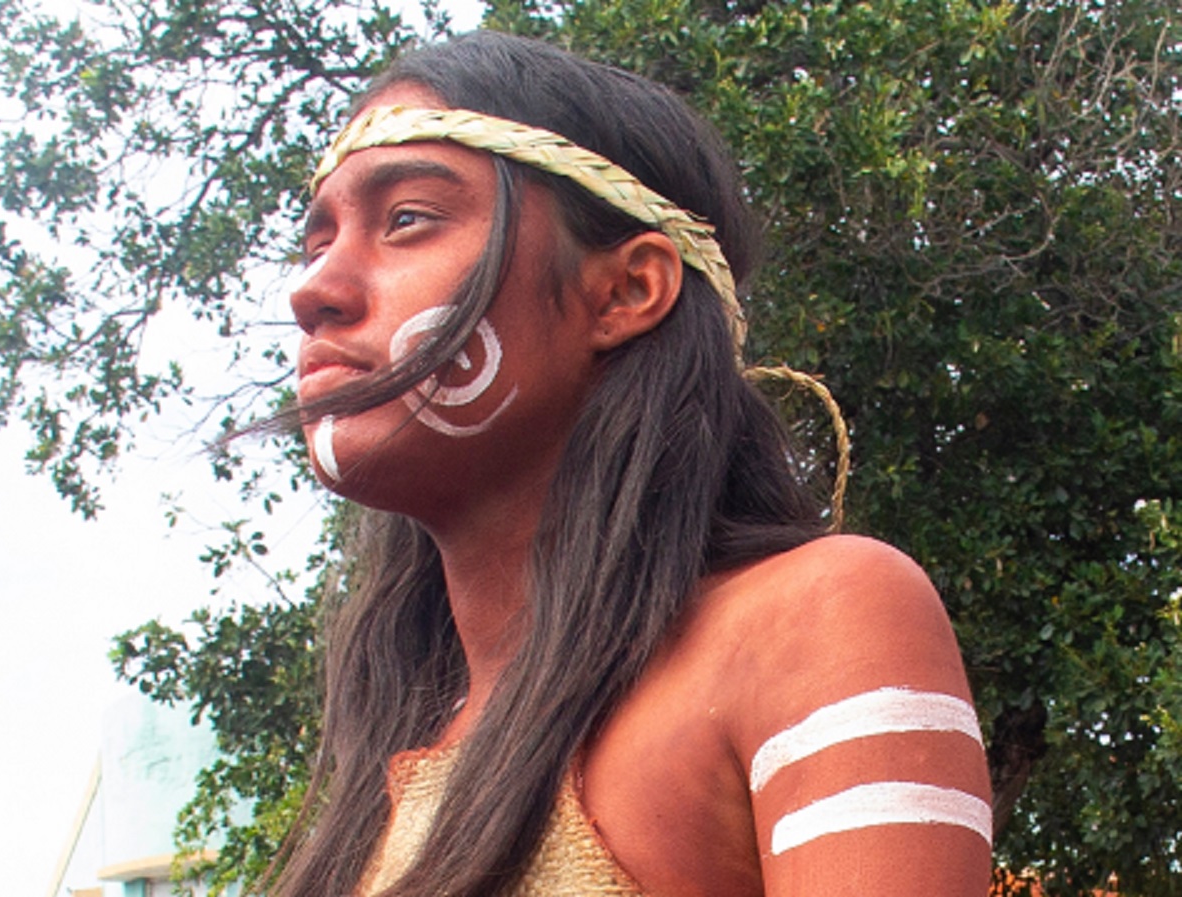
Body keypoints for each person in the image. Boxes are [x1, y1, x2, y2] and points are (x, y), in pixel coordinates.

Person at [275, 30, 992, 897]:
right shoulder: (389, 754)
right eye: (317, 243)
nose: (313, 290)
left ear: (624, 290)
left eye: (407, 220)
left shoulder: (815, 619)